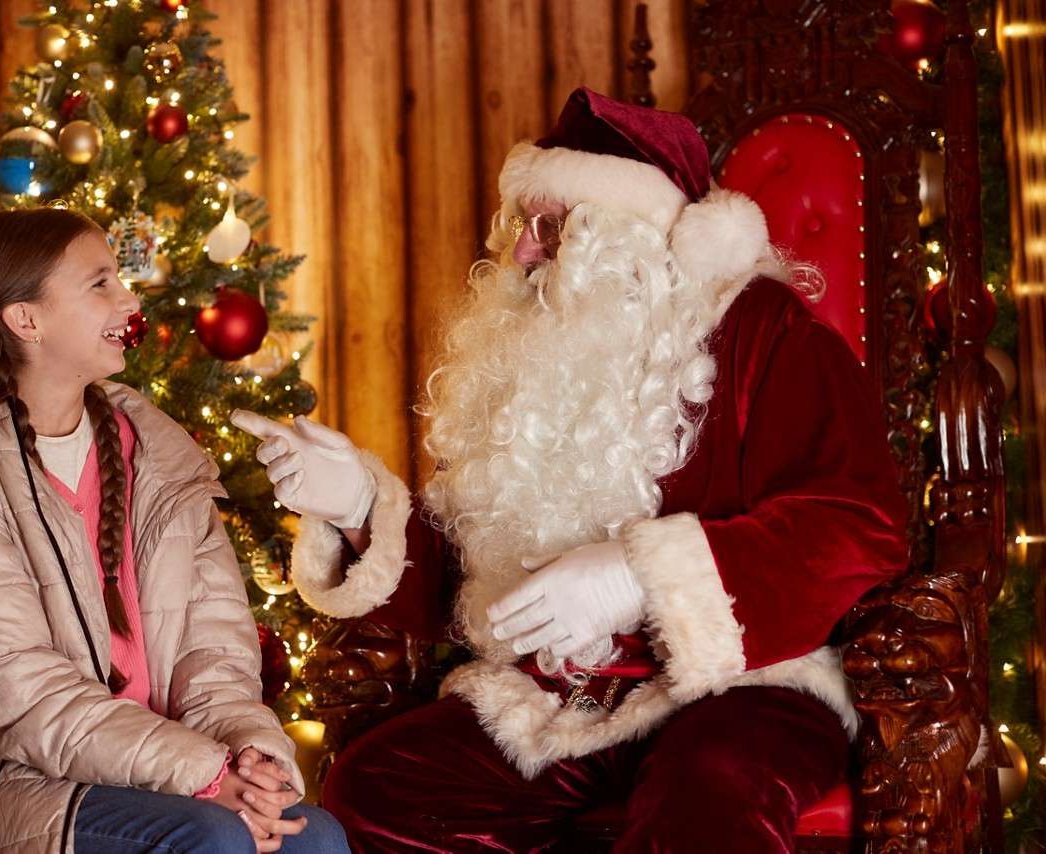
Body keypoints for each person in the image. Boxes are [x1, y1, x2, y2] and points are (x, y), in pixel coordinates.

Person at [232, 88, 910, 852]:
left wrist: (636, 577)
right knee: (382, 784)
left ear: (620, 237)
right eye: (522, 225)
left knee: (710, 785)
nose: (521, 251)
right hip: (558, 703)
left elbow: (856, 527)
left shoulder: (769, 335)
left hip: (743, 688)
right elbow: (478, 589)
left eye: (549, 228)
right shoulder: (538, 356)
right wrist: (359, 506)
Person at [0, 208, 349, 854]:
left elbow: (216, 659)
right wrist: (203, 775)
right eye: (100, 283)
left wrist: (252, 760)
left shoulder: (160, 453)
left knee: (316, 839)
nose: (129, 299)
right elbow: (12, 693)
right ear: (25, 320)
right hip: (21, 788)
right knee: (213, 838)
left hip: (175, 772)